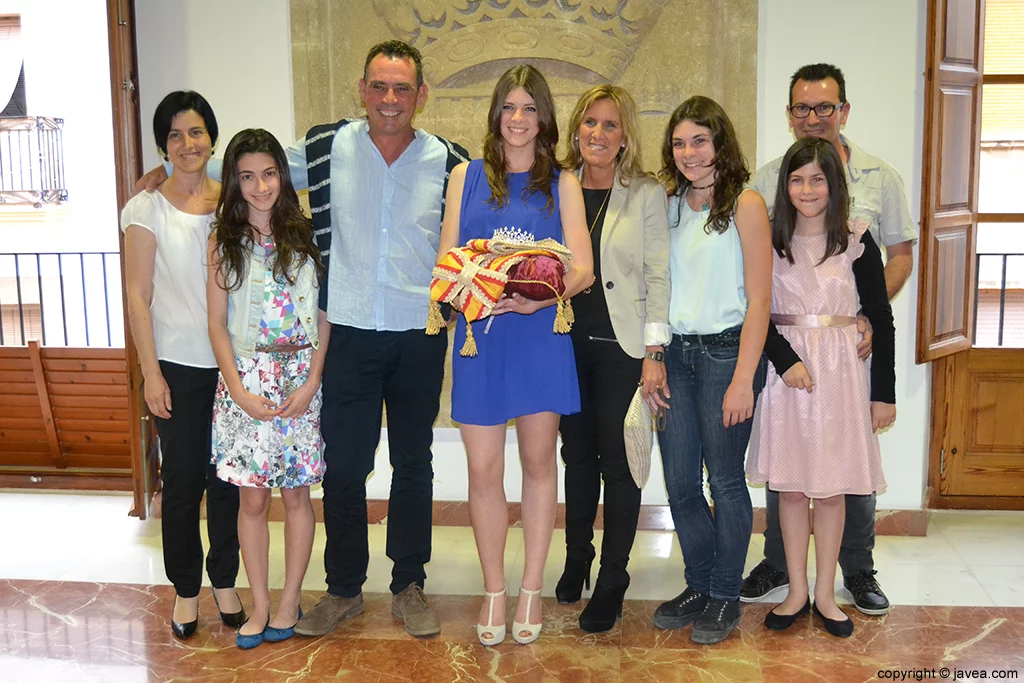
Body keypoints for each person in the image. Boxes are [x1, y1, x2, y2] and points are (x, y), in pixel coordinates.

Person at [137, 41, 469, 639]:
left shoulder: (450, 160)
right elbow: (251, 163)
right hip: (344, 334)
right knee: (343, 465)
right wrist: (178, 168)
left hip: (418, 333)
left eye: (402, 89)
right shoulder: (324, 146)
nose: (389, 100)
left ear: (420, 95)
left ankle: (409, 584)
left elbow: (483, 216)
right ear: (361, 91)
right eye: (378, 87)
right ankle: (343, 589)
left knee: (413, 463)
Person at [742, 63, 917, 616]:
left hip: (843, 365)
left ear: (843, 110)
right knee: (790, 483)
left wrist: (868, 329)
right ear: (790, 114)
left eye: (825, 107)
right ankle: (790, 580)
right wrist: (783, 356)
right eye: (802, 108)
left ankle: (848, 578)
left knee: (841, 480)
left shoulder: (866, 211)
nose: (814, 117)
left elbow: (893, 279)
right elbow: (759, 303)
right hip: (788, 368)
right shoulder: (768, 198)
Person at [437, 64, 593, 646]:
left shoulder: (564, 183)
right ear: (496, 115)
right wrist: (468, 284)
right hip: (480, 336)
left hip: (537, 335)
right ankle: (494, 590)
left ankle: (530, 587)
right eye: (510, 107)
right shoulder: (465, 178)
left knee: (536, 464)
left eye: (530, 109)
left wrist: (535, 298)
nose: (519, 119)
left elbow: (583, 268)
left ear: (544, 118)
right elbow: (449, 257)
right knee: (482, 469)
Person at [122, 91, 244, 640]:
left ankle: (225, 582)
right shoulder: (146, 207)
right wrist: (150, 373)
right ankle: (186, 591)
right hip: (175, 364)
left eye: (195, 132)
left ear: (211, 138)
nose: (186, 144)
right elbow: (137, 295)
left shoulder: (234, 202)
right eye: (174, 135)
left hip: (233, 364)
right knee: (182, 483)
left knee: (227, 483)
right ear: (162, 145)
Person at [651, 96, 771, 645]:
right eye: (679, 143)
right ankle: (698, 582)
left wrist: (745, 377)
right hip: (675, 354)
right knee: (678, 483)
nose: (689, 152)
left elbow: (761, 301)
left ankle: (725, 593)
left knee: (724, 481)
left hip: (727, 355)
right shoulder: (668, 204)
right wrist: (653, 357)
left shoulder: (746, 204)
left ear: (720, 142)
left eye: (699, 140)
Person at [554, 84, 670, 633]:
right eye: (590, 123)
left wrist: (654, 351)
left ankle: (613, 578)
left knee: (619, 467)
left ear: (625, 139)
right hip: (564, 346)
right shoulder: (560, 186)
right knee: (576, 460)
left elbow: (656, 277)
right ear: (577, 128)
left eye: (610, 125)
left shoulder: (645, 193)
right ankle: (579, 557)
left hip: (623, 352)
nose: (597, 134)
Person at [206, 129, 329, 648]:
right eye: (248, 176)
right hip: (245, 380)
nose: (260, 186)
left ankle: (288, 600)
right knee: (252, 503)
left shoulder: (307, 234)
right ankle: (258, 604)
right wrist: (238, 390)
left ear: (283, 174)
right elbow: (216, 324)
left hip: (300, 378)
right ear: (235, 182)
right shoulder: (222, 240)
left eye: (270, 173)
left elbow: (325, 317)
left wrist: (313, 379)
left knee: (297, 496)